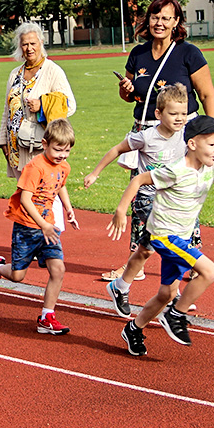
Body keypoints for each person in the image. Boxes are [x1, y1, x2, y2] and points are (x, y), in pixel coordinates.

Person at [102, 0, 214, 282]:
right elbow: (128, 96)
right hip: (146, 132)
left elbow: (206, 95)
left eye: (166, 17)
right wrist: (126, 89)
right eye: (155, 16)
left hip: (181, 135)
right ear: (148, 19)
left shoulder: (188, 53)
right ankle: (136, 263)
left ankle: (190, 260)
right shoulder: (138, 54)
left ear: (176, 22)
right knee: (142, 198)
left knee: (182, 196)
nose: (159, 22)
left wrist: (212, 133)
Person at [107, 116, 214, 356]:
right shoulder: (176, 171)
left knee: (166, 293)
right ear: (192, 144)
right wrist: (120, 209)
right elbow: (139, 179)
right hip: (163, 235)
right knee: (209, 271)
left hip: (182, 236)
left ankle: (134, 329)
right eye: (212, 144)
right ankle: (175, 314)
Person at [83, 86, 189, 318]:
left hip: (171, 200)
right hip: (146, 198)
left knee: (146, 250)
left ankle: (120, 287)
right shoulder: (147, 136)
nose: (179, 119)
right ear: (159, 114)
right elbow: (117, 149)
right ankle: (174, 294)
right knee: (170, 241)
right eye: (173, 114)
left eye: (183, 113)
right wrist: (95, 173)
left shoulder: (185, 134)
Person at [0, 118, 79, 335]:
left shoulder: (64, 166)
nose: (62, 155)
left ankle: (46, 317)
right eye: (58, 149)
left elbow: (60, 185)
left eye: (67, 150)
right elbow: (25, 199)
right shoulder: (34, 167)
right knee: (17, 276)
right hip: (27, 227)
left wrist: (68, 209)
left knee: (58, 269)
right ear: (45, 144)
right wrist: (42, 224)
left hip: (48, 228)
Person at [0, 22, 76, 231]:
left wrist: (43, 104)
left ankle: (54, 236)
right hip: (18, 146)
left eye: (33, 43)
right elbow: (7, 108)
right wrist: (2, 141)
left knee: (48, 190)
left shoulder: (52, 71)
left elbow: (70, 105)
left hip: (41, 145)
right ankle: (32, 236)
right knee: (27, 192)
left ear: (41, 42)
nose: (29, 48)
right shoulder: (15, 74)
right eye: (24, 44)